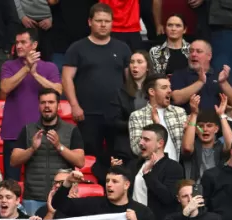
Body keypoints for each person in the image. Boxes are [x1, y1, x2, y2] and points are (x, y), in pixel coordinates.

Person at [62, 3, 133, 184]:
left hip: (117, 116)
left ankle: (114, 193)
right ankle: (86, 192)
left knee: (118, 158)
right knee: (88, 159)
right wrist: (75, 105)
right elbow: (67, 78)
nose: (103, 25)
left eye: (107, 21)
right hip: (87, 115)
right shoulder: (77, 48)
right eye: (99, 21)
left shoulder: (122, 48)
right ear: (89, 22)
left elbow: (130, 82)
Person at [0, 29, 64, 182]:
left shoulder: (49, 67)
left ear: (34, 44)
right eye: (17, 42)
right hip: (13, 133)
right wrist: (27, 68)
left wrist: (35, 74)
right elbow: (5, 88)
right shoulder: (8, 65)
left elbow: (58, 90)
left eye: (23, 42)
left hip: (41, 133)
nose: (19, 46)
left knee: (39, 180)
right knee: (11, 182)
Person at [11, 89, 87, 208]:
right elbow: (14, 161)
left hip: (62, 196)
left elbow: (80, 162)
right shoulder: (27, 130)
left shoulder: (72, 130)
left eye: (51, 102)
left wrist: (58, 146)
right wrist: (32, 148)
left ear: (58, 105)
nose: (47, 106)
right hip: (33, 198)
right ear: (38, 105)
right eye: (43, 102)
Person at [130, 124, 186, 220]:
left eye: (146, 140)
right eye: (141, 138)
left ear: (160, 143)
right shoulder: (135, 164)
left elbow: (168, 198)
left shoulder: (173, 167)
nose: (141, 143)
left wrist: (147, 174)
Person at [129, 74, 188, 163]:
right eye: (164, 88)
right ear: (152, 92)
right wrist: (156, 126)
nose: (169, 91)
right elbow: (137, 149)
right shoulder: (137, 116)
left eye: (170, 87)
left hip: (176, 169)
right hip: (151, 170)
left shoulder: (179, 112)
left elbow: (187, 147)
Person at [108, 50, 152, 167]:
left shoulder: (155, 90)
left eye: (139, 62)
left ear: (148, 67)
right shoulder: (120, 92)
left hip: (153, 144)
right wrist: (137, 125)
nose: (134, 65)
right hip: (127, 147)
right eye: (132, 62)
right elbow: (114, 122)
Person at [181, 102, 232, 181]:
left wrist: (221, 115)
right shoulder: (193, 146)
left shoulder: (220, 146)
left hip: (217, 188)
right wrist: (194, 114)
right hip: (196, 189)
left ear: (216, 129)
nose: (205, 129)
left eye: (209, 126)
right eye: (201, 126)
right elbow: (187, 148)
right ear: (196, 129)